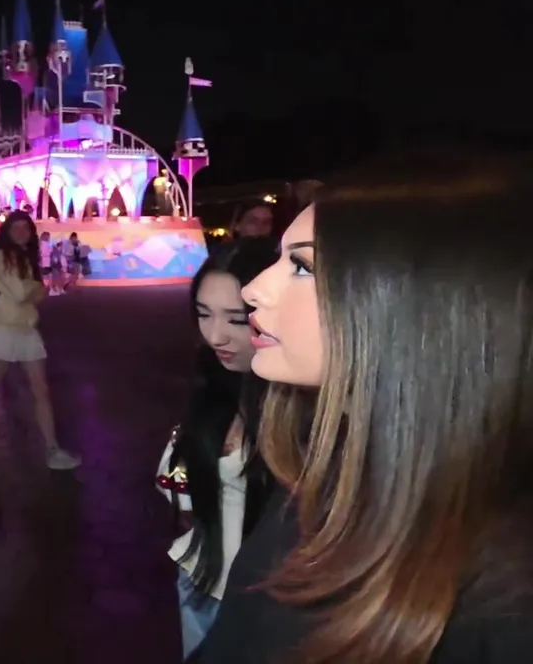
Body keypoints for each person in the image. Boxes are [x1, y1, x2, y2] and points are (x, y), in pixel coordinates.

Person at [198, 149, 533, 663]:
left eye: (302, 266)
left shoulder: (502, 600)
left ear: (420, 302)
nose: (255, 290)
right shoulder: (323, 477)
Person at [154, 238, 276, 658]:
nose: (215, 335)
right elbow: (180, 487)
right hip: (200, 579)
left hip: (264, 604)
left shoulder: (303, 409)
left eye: (237, 319)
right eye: (203, 314)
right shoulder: (216, 383)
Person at [0, 212, 79, 469]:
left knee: (40, 389)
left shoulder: (24, 257)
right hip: (3, 327)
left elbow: (30, 292)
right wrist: (37, 288)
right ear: (7, 231)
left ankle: (52, 449)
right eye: (16, 227)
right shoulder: (0, 256)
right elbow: (22, 292)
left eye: (26, 227)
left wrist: (35, 289)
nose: (21, 232)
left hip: (25, 328)